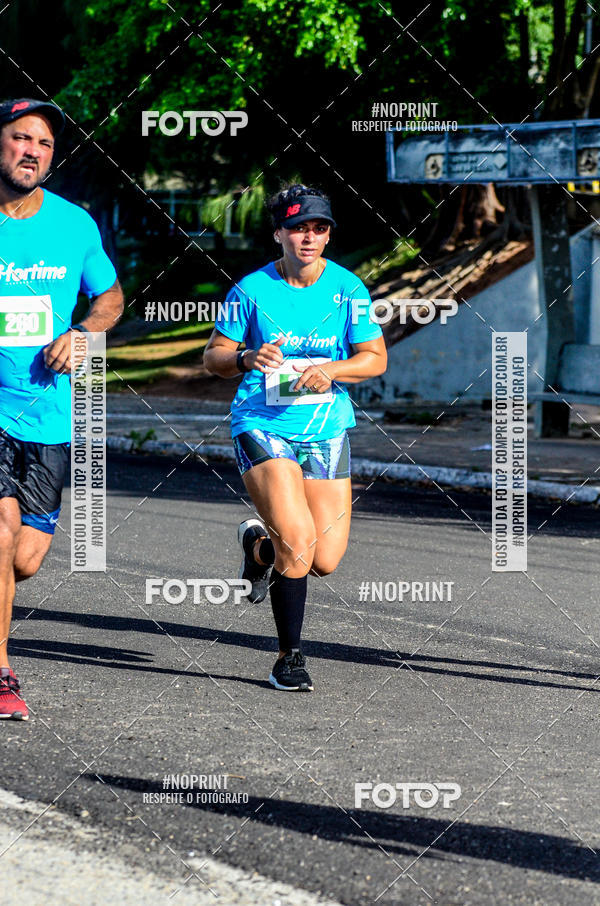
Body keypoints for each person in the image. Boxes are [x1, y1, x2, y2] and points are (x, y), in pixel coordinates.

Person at [204, 183, 387, 692]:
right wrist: (246, 357)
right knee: (299, 543)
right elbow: (214, 357)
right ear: (279, 234)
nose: (308, 237)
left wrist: (333, 370)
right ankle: (289, 658)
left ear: (328, 235)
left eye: (318, 228)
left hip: (326, 428)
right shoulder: (251, 290)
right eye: (298, 228)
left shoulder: (348, 289)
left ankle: (259, 548)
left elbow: (375, 358)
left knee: (322, 560)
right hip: (263, 425)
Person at [0, 98, 124, 719]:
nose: (32, 151)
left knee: (23, 558)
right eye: (21, 137)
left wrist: (82, 335)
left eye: (44, 144)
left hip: (47, 413)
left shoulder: (75, 225)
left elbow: (111, 298)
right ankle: (1, 672)